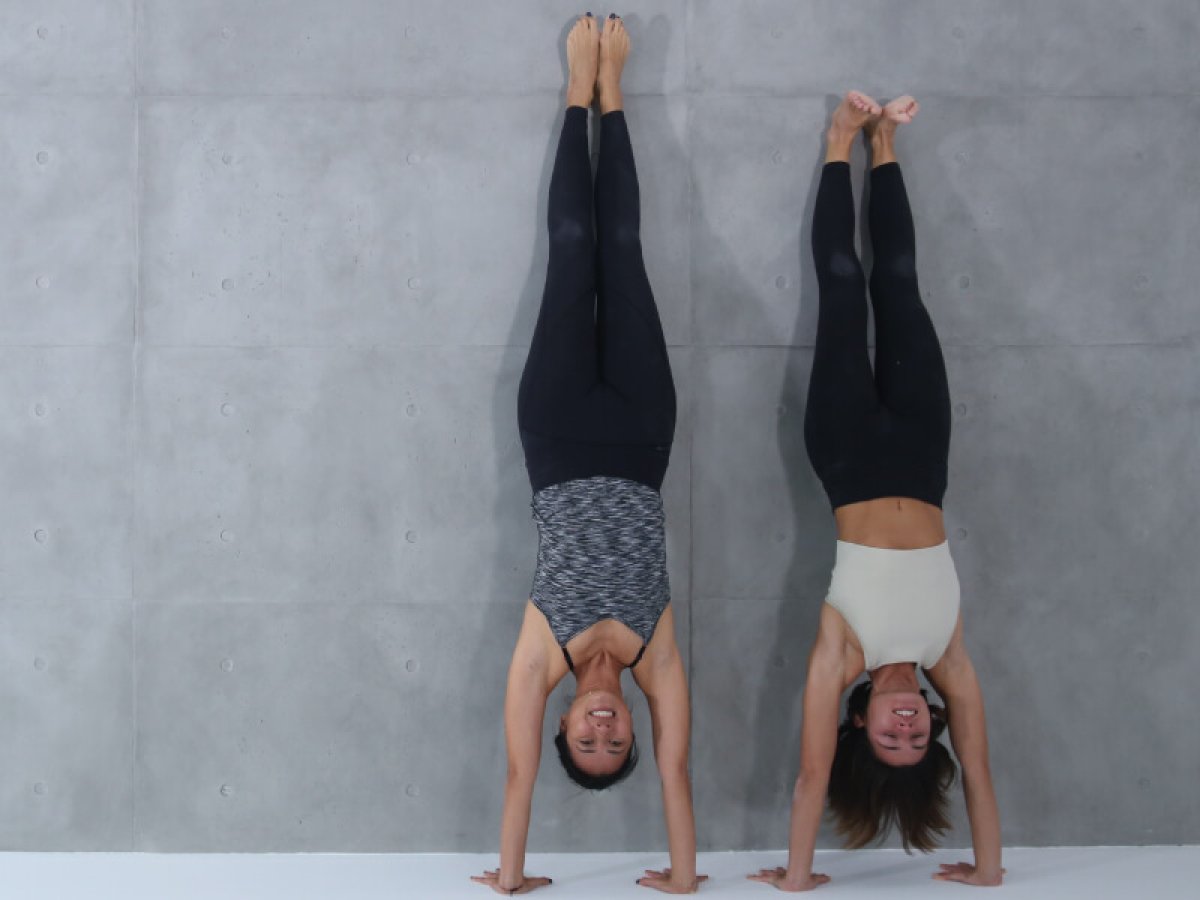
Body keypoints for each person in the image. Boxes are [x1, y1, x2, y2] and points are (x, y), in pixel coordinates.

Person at [472, 14, 704, 896]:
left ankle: (579, 91)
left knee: (574, 250)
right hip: (643, 437)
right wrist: (684, 880)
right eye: (616, 742)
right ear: (634, 727)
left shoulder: (542, 659)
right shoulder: (657, 658)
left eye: (587, 741)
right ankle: (616, 97)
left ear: (565, 724)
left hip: (558, 436)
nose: (602, 730)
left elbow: (517, 777)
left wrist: (512, 878)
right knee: (625, 252)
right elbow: (677, 777)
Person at [750, 92, 1003, 891]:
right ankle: (885, 143)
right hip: (925, 456)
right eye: (920, 739)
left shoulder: (843, 654)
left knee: (841, 284)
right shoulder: (947, 657)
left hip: (848, 453)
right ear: (932, 723)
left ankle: (839, 141)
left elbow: (809, 778)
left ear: (859, 722)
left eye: (891, 740)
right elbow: (981, 774)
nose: (908, 729)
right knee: (898, 283)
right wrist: (988, 871)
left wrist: (797, 879)